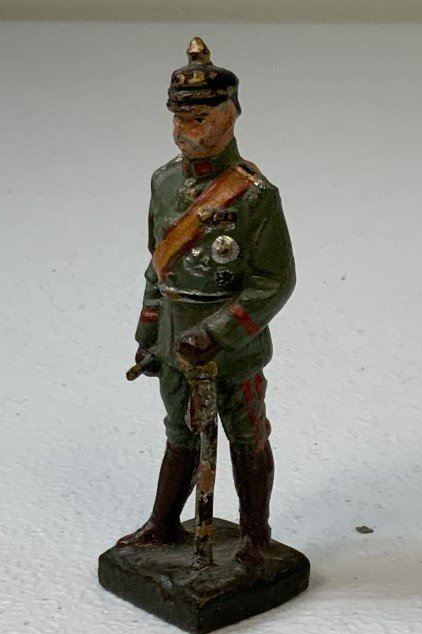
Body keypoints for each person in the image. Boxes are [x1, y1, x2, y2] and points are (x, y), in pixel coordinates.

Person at [117, 37, 296, 564]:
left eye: (200, 118)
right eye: (180, 117)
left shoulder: (255, 195)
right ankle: (162, 524)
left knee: (246, 436)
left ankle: (257, 536)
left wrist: (216, 334)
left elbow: (274, 281)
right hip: (176, 341)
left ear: (230, 115)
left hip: (234, 349)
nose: (186, 129)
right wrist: (149, 335)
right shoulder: (163, 182)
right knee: (180, 434)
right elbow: (158, 266)